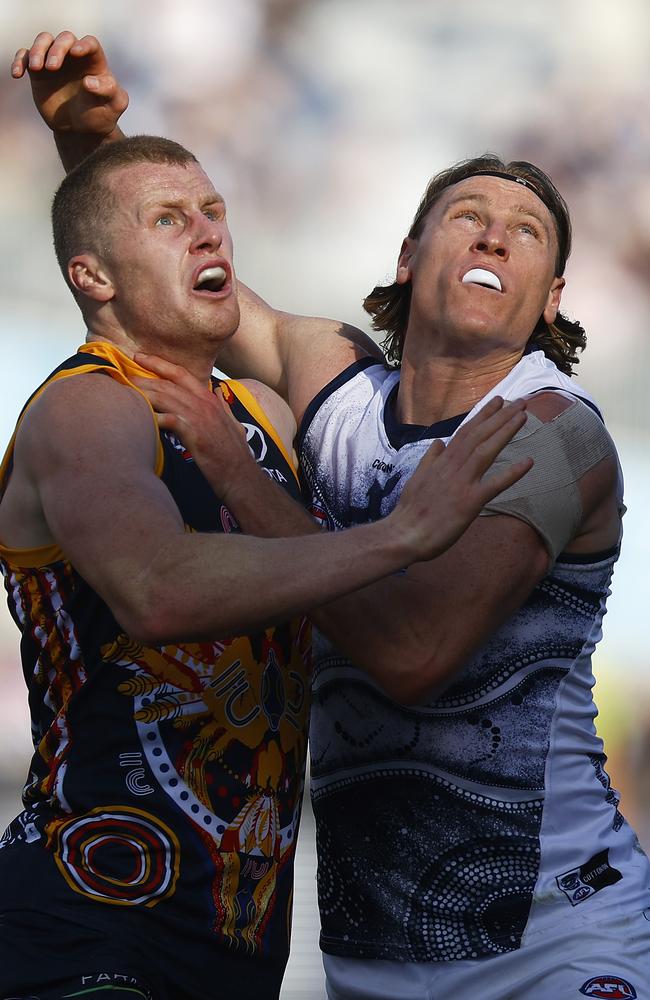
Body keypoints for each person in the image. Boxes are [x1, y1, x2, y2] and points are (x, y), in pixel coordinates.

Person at [12, 31, 650, 1000]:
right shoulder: (334, 382)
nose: (491, 235)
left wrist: (241, 475)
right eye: (466, 214)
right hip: (363, 944)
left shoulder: (545, 432)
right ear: (405, 256)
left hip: (549, 931)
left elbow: (412, 652)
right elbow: (170, 280)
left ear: (552, 294)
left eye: (525, 231)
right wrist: (91, 139)